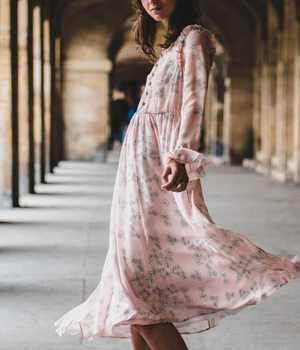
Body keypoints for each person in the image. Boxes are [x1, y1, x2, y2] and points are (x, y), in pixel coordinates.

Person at [54, 1, 300, 349]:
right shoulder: (172, 44)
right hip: (136, 171)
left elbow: (193, 102)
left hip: (158, 166)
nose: (152, 0)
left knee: (138, 291)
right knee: (135, 289)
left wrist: (181, 156)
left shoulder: (195, 38)